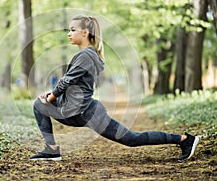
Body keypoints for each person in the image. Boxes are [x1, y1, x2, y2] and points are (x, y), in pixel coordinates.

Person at [30, 15, 199, 162]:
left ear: (85, 33)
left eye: (73, 30)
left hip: (88, 113)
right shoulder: (87, 54)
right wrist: (52, 95)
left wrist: (52, 98)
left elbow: (67, 80)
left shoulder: (86, 55)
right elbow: (73, 83)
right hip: (75, 110)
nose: (69, 33)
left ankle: (185, 140)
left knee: (132, 139)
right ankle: (51, 150)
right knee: (39, 105)